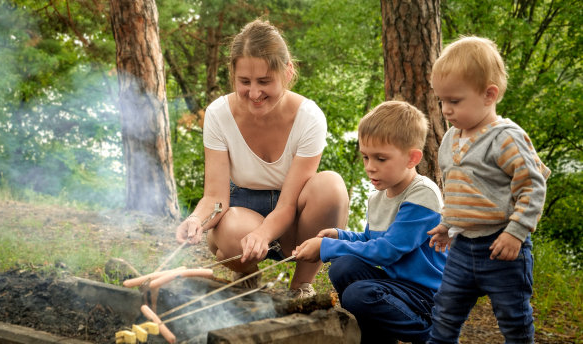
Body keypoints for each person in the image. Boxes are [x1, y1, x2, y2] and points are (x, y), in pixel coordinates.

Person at [174, 19, 349, 298]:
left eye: (264, 81)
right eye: (245, 82)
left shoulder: (309, 117)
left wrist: (264, 235)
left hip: (292, 217)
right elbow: (216, 198)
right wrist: (196, 219)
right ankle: (245, 273)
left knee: (332, 187)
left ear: (288, 72)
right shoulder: (219, 114)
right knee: (231, 233)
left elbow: (288, 205)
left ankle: (300, 285)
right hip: (242, 211)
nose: (254, 93)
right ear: (233, 75)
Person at [427, 36, 551, 344]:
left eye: (454, 101)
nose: (445, 110)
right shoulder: (450, 139)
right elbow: (457, 190)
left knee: (514, 319)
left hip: (503, 248)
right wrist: (447, 223)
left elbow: (533, 186)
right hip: (462, 248)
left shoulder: (506, 138)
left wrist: (516, 231)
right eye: (441, 100)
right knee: (444, 313)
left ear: (489, 94)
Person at [294, 100, 447, 344]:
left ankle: (432, 333)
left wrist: (325, 249)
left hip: (426, 297)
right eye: (365, 157)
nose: (370, 167)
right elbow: (370, 239)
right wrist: (340, 236)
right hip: (397, 288)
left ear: (411, 158)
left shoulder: (422, 194)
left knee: (358, 294)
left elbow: (387, 251)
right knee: (344, 267)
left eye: (380, 159)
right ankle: (378, 337)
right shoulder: (378, 196)